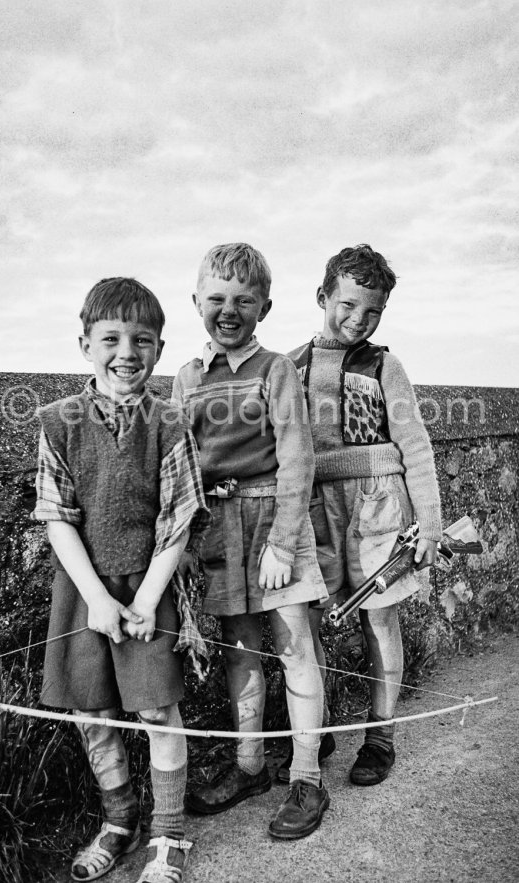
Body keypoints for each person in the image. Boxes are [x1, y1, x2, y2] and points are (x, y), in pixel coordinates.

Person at [32, 277, 209, 883]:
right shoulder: (58, 422)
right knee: (94, 712)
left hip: (148, 589)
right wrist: (99, 600)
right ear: (85, 344)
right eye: (111, 338)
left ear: (159, 348)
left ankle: (169, 833)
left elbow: (179, 519)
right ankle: (118, 818)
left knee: (159, 711)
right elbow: (57, 518)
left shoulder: (170, 421)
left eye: (142, 340)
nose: (126, 352)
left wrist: (145, 601)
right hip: (83, 593)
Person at [172, 242, 331, 840]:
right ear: (197, 303)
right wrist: (184, 539)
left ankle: (308, 776)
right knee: (240, 653)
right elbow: (180, 463)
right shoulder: (186, 377)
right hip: (219, 532)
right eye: (216, 299)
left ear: (265, 307)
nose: (229, 310)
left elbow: (297, 457)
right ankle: (250, 767)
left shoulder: (276, 370)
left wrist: (285, 545)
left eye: (244, 300)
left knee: (294, 651)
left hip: (274, 526)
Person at [286, 244, 442, 787]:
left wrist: (431, 524)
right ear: (323, 296)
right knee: (310, 620)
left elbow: (416, 447)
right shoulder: (290, 367)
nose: (358, 319)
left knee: (379, 618)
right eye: (347, 304)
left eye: (372, 311)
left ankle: (380, 734)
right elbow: (278, 448)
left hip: (379, 504)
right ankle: (318, 724)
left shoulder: (384, 365)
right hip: (312, 505)